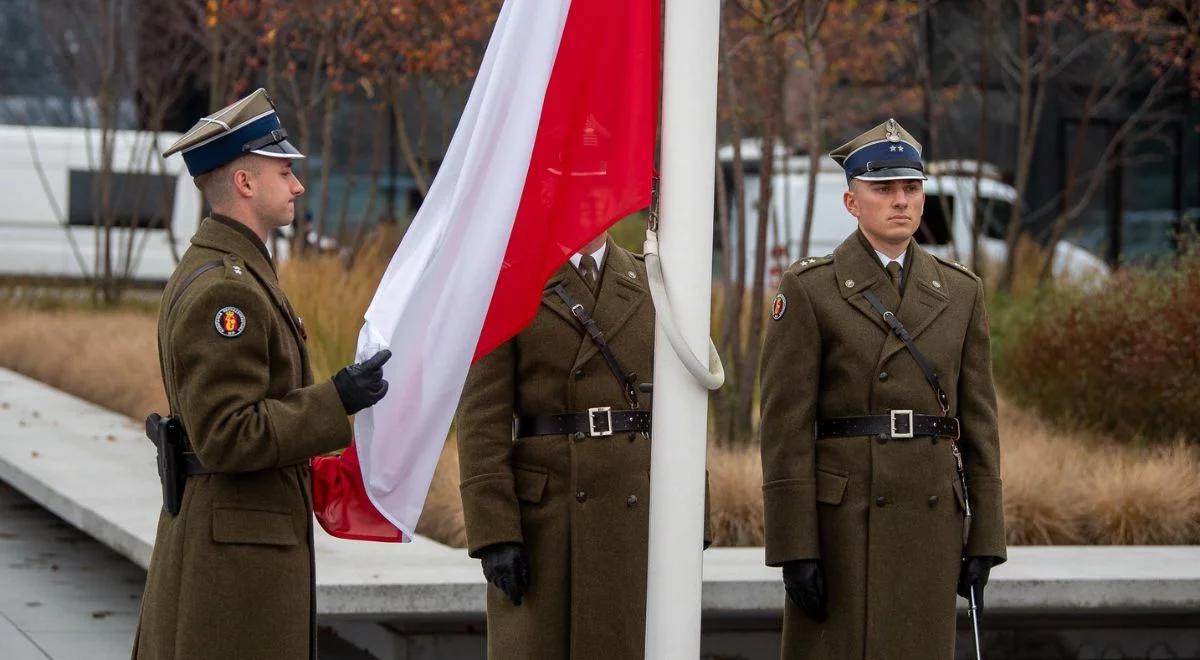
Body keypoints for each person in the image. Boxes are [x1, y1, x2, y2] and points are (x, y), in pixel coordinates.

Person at [132, 88, 391, 660]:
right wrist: (335, 400)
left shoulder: (235, 271)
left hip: (239, 545)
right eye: (283, 172)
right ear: (245, 184)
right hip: (234, 560)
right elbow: (226, 434)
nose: (297, 185)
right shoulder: (228, 289)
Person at [758, 118, 1006, 659]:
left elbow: (980, 423)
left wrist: (986, 535)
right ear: (851, 202)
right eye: (884, 189)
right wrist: (793, 546)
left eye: (911, 188)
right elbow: (784, 427)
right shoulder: (811, 289)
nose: (901, 201)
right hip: (843, 525)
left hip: (930, 517)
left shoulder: (961, 292)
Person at [456, 231, 709, 660]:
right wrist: (494, 533)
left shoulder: (654, 280)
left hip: (633, 515)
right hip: (546, 520)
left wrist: (693, 512)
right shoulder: (511, 279)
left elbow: (682, 407)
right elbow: (482, 418)